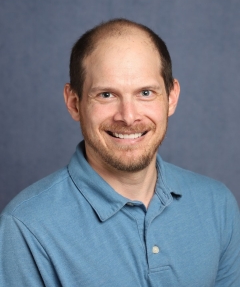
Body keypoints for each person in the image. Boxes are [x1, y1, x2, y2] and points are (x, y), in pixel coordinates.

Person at [0, 19, 239, 287]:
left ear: (171, 98)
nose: (128, 116)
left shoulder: (217, 204)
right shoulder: (25, 227)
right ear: (74, 103)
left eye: (145, 93)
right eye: (106, 95)